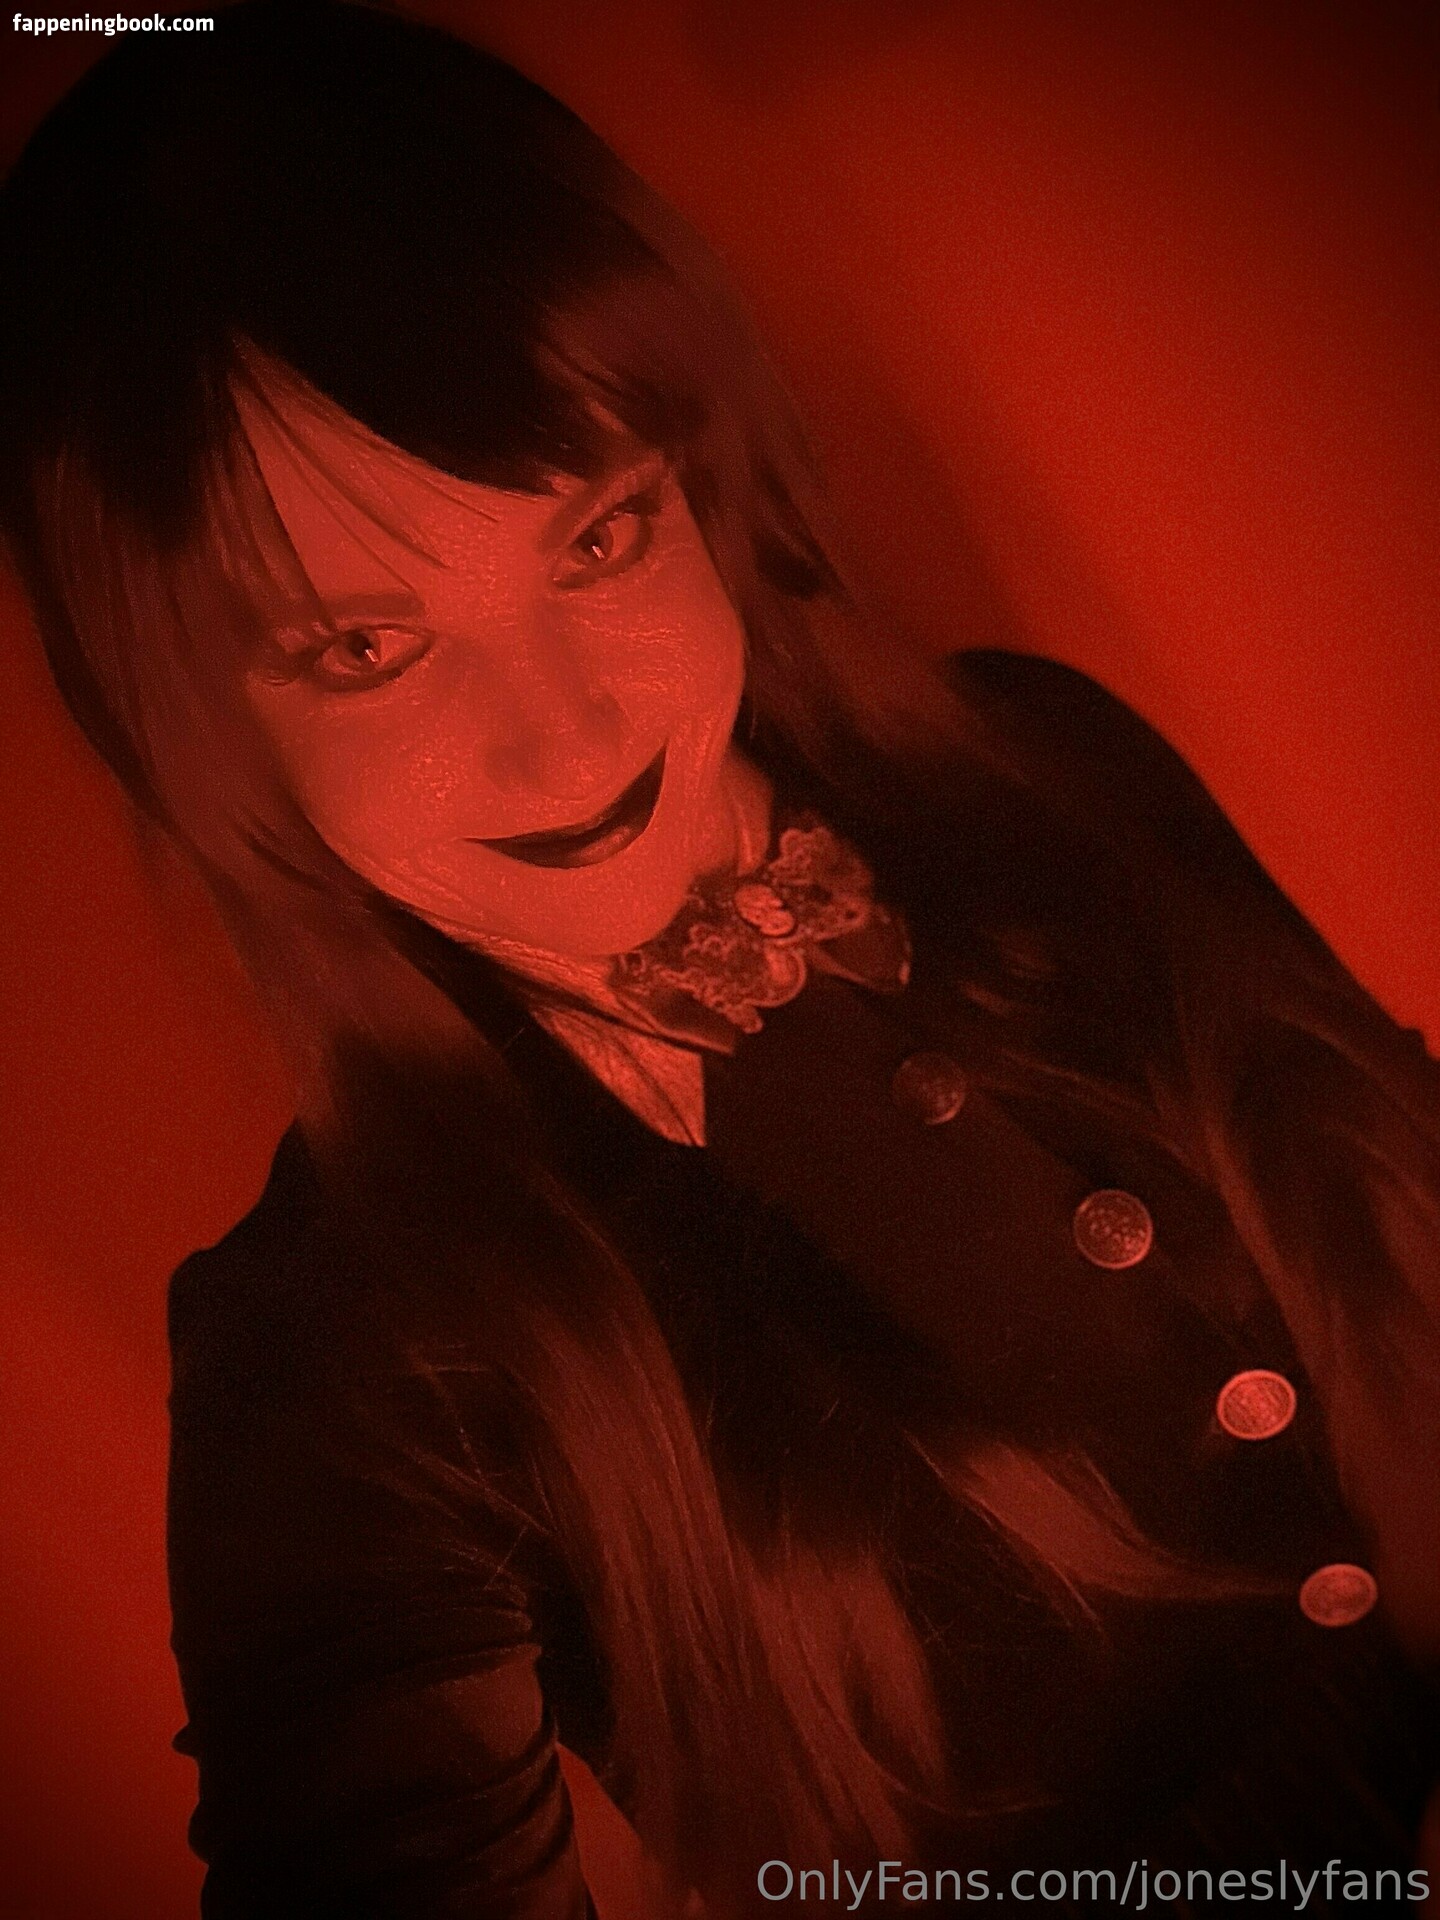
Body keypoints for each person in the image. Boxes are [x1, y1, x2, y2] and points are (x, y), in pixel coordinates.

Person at [1, 3, 1437, 1914]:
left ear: (703, 486)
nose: (569, 739)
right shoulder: (339, 1358)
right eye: (363, 646)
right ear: (197, 728)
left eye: (598, 540)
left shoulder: (1049, 758)